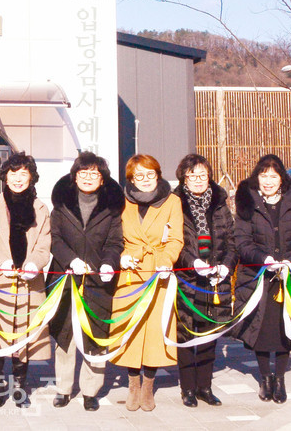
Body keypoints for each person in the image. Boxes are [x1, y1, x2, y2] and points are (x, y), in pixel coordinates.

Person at [233, 154, 291, 404]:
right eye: (263, 175)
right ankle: (265, 377)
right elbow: (242, 241)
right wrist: (263, 259)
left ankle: (279, 379)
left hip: (289, 277)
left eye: (273, 176)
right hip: (258, 277)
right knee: (260, 330)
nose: (268, 181)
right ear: (257, 177)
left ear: (281, 178)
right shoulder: (247, 200)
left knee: (284, 330)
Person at [47, 151, 123, 412]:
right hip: (66, 279)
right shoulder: (61, 206)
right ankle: (63, 388)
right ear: (74, 176)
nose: (88, 177)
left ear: (102, 179)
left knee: (96, 335)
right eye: (83, 172)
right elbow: (54, 239)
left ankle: (91, 391)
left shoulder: (112, 210)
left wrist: (108, 263)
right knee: (65, 335)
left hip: (98, 282)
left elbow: (115, 242)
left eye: (95, 173)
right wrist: (70, 260)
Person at [0, 152, 51, 409]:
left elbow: (44, 244)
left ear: (31, 177)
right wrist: (0, 262)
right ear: (4, 177)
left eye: (23, 174)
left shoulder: (41, 208)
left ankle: (20, 387)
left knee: (24, 336)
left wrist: (34, 263)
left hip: (29, 283)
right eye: (13, 173)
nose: (18, 179)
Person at [112, 154, 184, 413]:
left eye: (150, 175)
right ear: (131, 179)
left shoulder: (172, 201)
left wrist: (166, 260)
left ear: (158, 174)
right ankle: (132, 384)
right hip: (130, 272)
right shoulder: (121, 201)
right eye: (138, 176)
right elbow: (113, 237)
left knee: (155, 330)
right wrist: (122, 257)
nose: (145, 181)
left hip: (158, 271)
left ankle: (148, 386)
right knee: (131, 329)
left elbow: (176, 238)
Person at [173, 154, 235, 407]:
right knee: (186, 333)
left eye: (202, 175)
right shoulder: (175, 203)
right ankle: (187, 388)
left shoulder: (220, 203)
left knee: (210, 334)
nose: (198, 180)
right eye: (192, 176)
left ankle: (204, 387)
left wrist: (226, 266)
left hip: (215, 279)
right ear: (184, 178)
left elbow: (232, 241)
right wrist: (192, 262)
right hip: (188, 278)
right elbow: (174, 242)